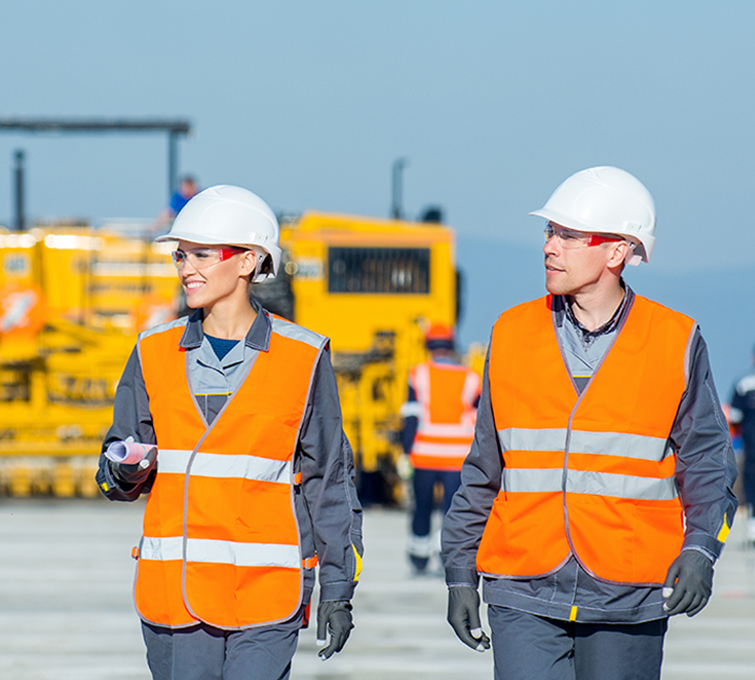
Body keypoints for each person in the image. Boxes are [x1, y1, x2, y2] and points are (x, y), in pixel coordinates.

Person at [441, 166, 738, 680]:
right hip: (522, 584)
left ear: (618, 252)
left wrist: (701, 550)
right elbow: (484, 466)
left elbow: (708, 463)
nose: (549, 247)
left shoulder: (676, 341)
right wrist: (459, 571)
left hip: (628, 590)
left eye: (568, 235)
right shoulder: (511, 334)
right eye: (549, 232)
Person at [96, 185, 363, 680]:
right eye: (181, 255)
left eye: (201, 254)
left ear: (247, 261)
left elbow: (330, 479)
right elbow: (115, 469)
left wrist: (338, 586)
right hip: (175, 600)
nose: (185, 268)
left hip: (265, 594)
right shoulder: (152, 351)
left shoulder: (302, 357)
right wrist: (122, 469)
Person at [400, 323, 481, 574]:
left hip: (424, 455)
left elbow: (411, 417)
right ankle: (446, 554)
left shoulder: (418, 374)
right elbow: (479, 421)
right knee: (452, 510)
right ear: (451, 345)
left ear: (428, 345)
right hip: (458, 457)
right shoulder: (471, 378)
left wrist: (405, 451)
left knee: (421, 506)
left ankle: (419, 556)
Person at [729, 346, 755, 540]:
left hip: (751, 445)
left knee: (751, 480)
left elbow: (735, 417)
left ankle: (753, 523)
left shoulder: (744, 384)